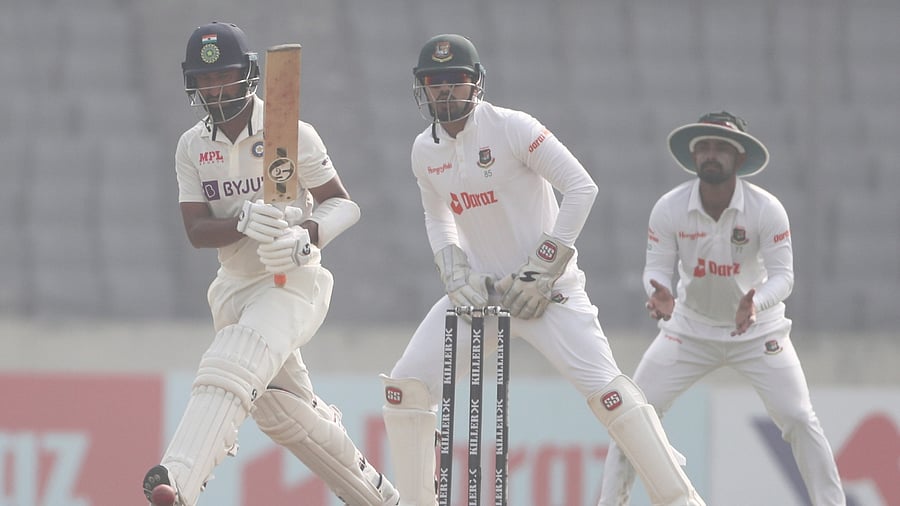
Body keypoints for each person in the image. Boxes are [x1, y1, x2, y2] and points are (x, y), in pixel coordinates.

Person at [379, 33, 705, 506]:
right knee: (404, 391)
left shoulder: (512, 127)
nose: (445, 91)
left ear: (476, 85)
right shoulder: (423, 151)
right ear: (422, 88)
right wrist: (453, 269)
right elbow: (438, 215)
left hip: (548, 296)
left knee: (612, 397)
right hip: (482, 297)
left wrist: (543, 268)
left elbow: (581, 187)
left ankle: (682, 501)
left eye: (457, 81)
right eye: (435, 82)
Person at [141, 21, 399, 506]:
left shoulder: (291, 132)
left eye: (226, 76)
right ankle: (379, 497)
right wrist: (243, 221)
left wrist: (306, 236)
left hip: (292, 281)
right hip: (234, 286)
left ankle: (178, 481)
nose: (215, 88)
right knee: (282, 411)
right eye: (205, 79)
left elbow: (342, 204)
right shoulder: (192, 146)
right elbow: (196, 231)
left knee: (234, 357)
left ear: (249, 75)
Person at [598, 111, 846, 505]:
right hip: (689, 329)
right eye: (704, 148)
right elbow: (656, 270)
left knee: (799, 417)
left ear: (739, 158)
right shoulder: (670, 207)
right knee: (633, 417)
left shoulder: (766, 209)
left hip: (758, 331)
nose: (711, 155)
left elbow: (784, 277)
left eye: (721, 148)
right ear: (694, 157)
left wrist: (756, 302)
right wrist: (658, 291)